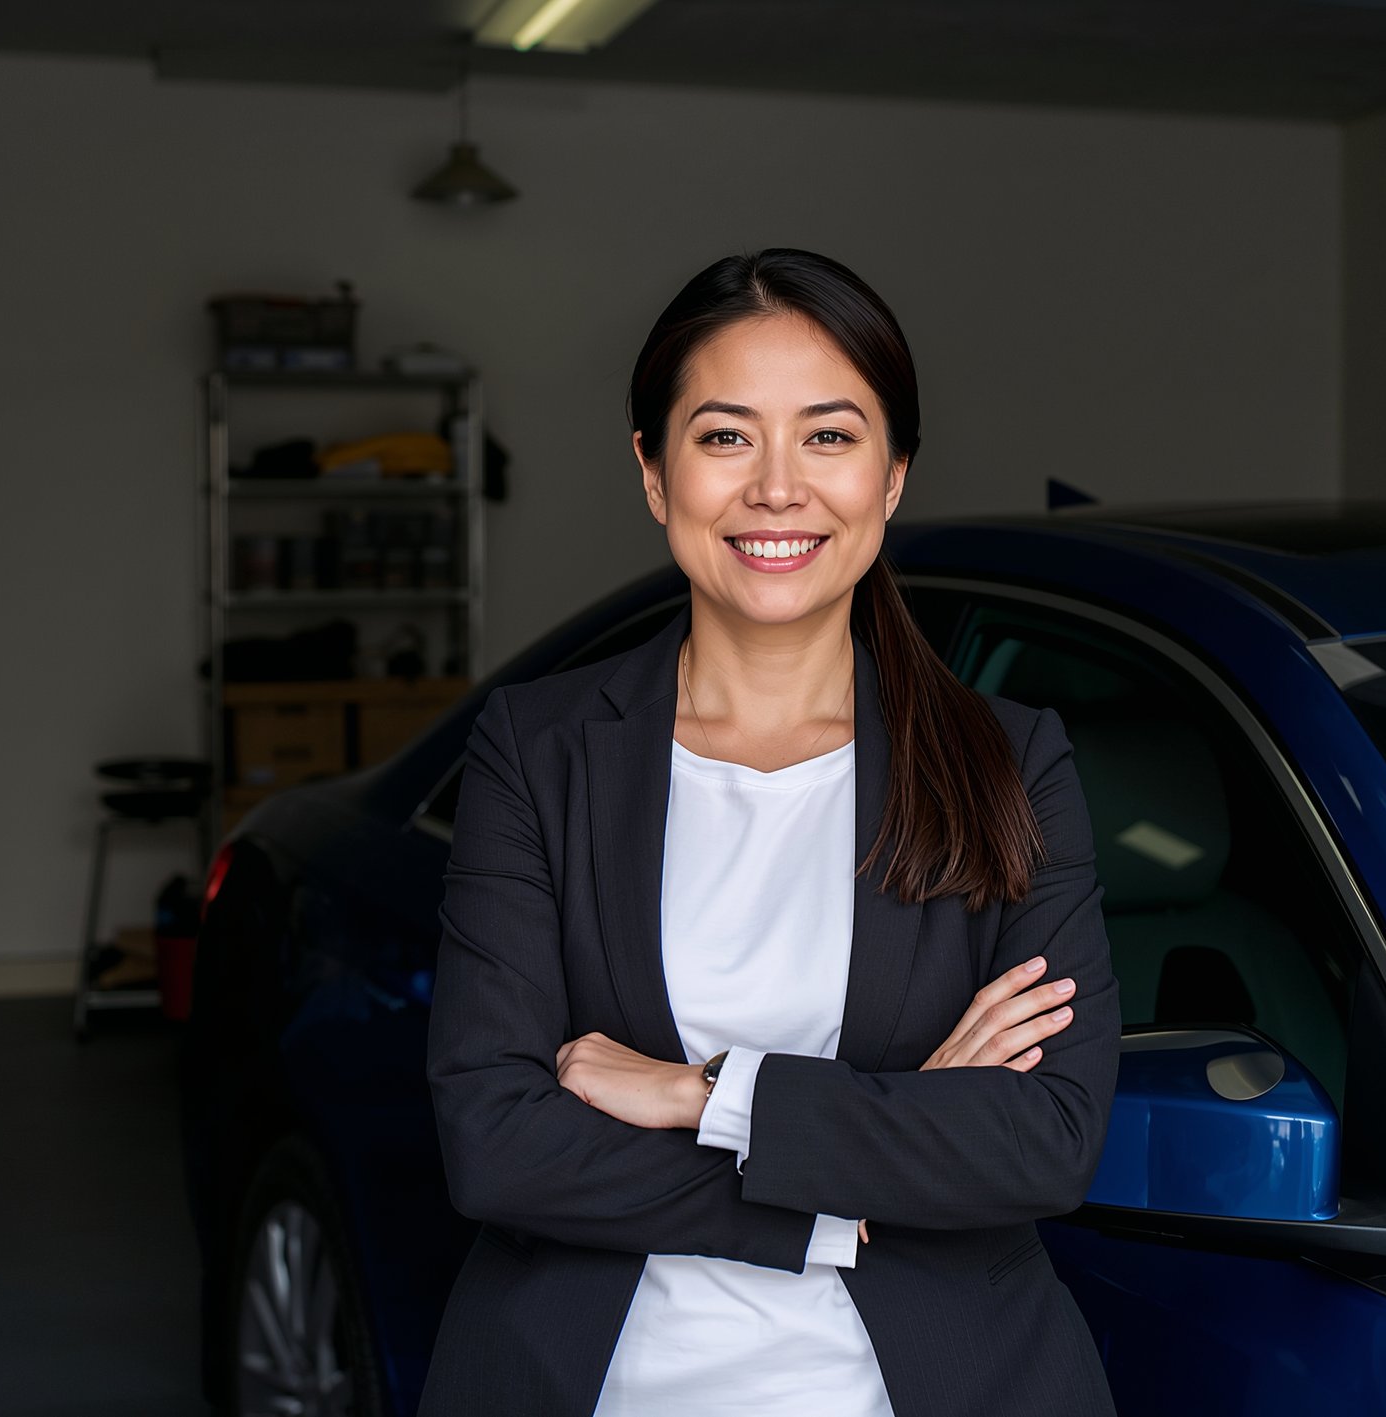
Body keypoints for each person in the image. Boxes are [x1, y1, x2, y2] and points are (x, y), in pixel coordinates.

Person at [418, 247, 1120, 1417]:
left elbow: (1041, 1140)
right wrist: (862, 1167)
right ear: (654, 472)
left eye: (831, 436)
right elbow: (496, 1141)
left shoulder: (1009, 760)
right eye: (726, 435)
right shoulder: (539, 752)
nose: (778, 488)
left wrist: (711, 1096)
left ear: (892, 476)